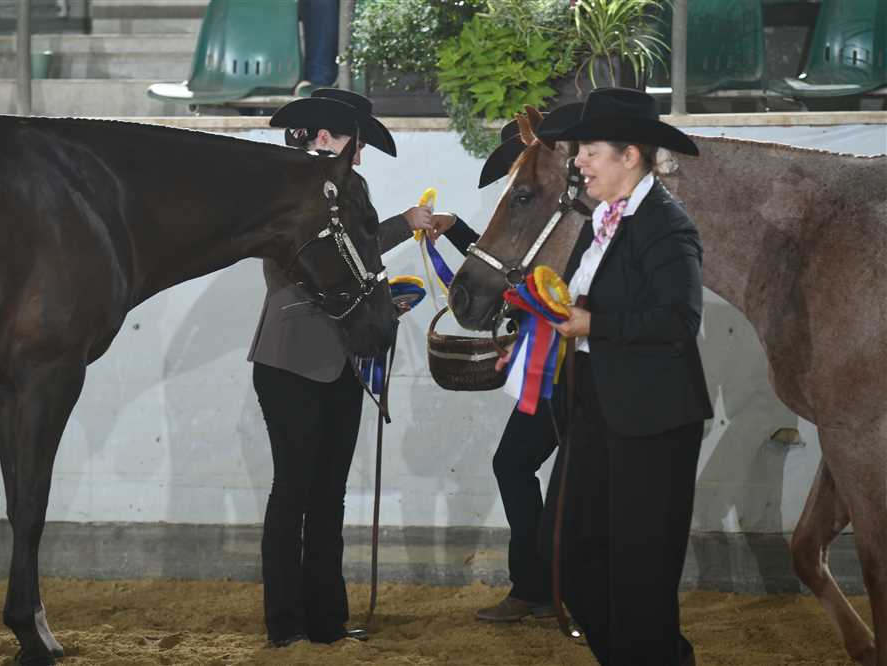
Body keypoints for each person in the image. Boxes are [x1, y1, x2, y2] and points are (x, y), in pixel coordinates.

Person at [249, 87, 434, 648]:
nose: (361, 154)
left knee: (329, 494)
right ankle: (285, 622)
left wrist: (382, 298)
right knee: (294, 490)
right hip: (294, 357)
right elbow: (324, 260)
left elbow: (361, 254)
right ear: (327, 137)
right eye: (357, 142)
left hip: (343, 357)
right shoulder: (287, 188)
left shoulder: (353, 189)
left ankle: (326, 621)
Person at [539, 87, 713, 666]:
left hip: (653, 416)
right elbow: (576, 306)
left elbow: (680, 320)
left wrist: (595, 324)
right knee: (567, 553)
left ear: (630, 155)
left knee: (641, 572)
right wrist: (533, 336)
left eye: (590, 151)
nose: (579, 162)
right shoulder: (600, 221)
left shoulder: (666, 224)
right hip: (594, 404)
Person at [433, 104, 585, 622]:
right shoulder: (548, 217)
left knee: (567, 481)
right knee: (514, 464)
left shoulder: (579, 219)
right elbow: (509, 265)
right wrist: (458, 231)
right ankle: (533, 586)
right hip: (546, 366)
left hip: (578, 366)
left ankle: (560, 588)